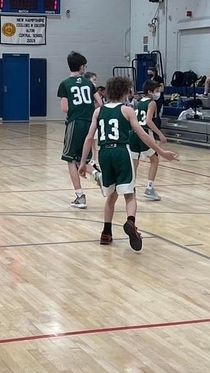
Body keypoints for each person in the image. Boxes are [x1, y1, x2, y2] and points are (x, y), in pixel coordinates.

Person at [80, 76, 177, 251]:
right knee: (130, 193)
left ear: (108, 92)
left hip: (104, 153)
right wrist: (161, 152)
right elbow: (143, 135)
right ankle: (131, 223)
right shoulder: (127, 111)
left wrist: (82, 163)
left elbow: (88, 138)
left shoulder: (98, 111)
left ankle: (106, 232)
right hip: (121, 152)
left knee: (111, 195)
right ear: (125, 93)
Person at [57, 51, 95, 209]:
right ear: (81, 67)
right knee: (84, 159)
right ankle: (99, 175)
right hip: (89, 122)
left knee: (70, 159)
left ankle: (80, 196)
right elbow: (99, 102)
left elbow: (65, 108)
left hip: (74, 123)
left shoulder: (65, 84)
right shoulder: (89, 83)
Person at [129, 80, 166, 200]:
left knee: (135, 161)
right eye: (156, 91)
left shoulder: (139, 102)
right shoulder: (152, 103)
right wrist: (160, 134)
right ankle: (149, 188)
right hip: (144, 132)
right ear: (149, 92)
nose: (158, 93)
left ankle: (130, 187)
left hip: (133, 132)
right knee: (154, 160)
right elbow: (149, 121)